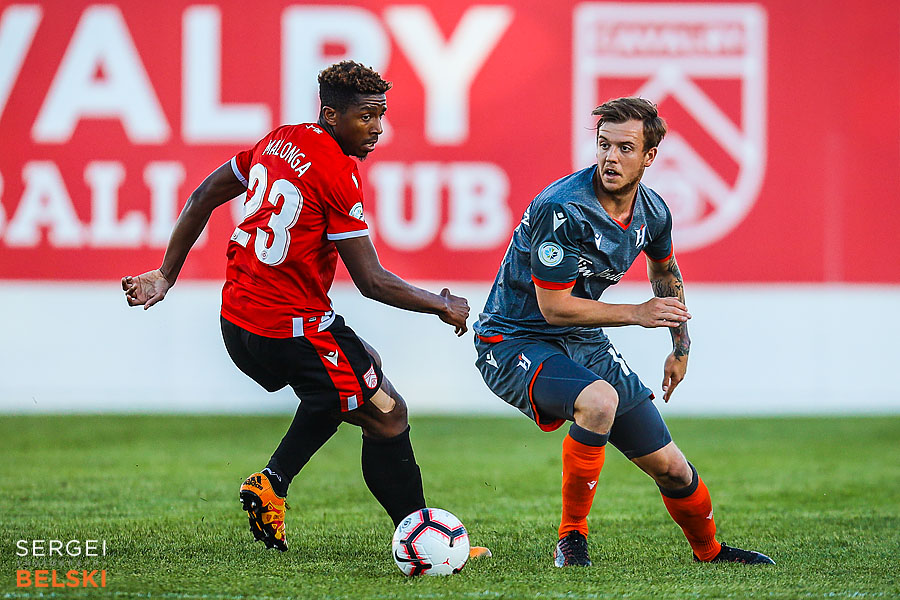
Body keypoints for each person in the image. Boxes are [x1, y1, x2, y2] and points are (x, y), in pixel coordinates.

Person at [123, 61, 484, 556]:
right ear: (332, 115)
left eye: (382, 116)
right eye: (367, 116)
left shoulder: (278, 140)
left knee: (368, 372)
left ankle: (413, 532)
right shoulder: (338, 172)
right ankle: (279, 485)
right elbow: (372, 281)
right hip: (291, 327)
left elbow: (203, 194)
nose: (378, 128)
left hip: (237, 323)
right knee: (383, 412)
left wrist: (166, 274)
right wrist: (441, 303)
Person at [472, 97, 774, 567]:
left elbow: (665, 273)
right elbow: (553, 309)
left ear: (649, 156)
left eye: (625, 148)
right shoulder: (562, 208)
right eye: (603, 145)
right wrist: (636, 313)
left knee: (672, 468)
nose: (610, 158)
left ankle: (710, 552)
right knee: (598, 401)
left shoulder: (654, 213)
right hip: (512, 339)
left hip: (582, 341)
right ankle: (571, 538)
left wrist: (681, 347)